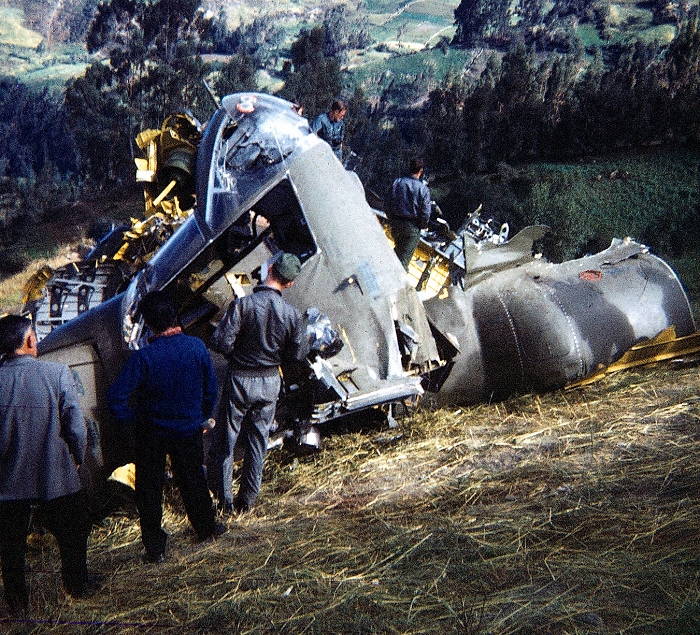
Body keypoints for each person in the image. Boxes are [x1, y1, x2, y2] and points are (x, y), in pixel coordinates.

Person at [107, 291, 224, 563]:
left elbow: (116, 397)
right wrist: (201, 418)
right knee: (193, 479)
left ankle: (156, 548)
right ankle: (207, 528)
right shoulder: (196, 347)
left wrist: (132, 422)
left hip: (151, 434)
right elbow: (211, 390)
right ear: (175, 316)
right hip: (188, 430)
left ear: (148, 323)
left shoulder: (143, 358)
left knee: (148, 490)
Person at [0, 314, 91, 616]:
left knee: (10, 548)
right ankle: (76, 587)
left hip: (7, 482)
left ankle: (18, 604)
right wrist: (77, 457)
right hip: (56, 474)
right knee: (73, 533)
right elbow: (75, 425)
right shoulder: (57, 373)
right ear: (29, 341)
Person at [207, 252, 309, 514]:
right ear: (290, 284)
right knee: (258, 442)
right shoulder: (293, 315)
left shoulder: (243, 305)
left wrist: (239, 356)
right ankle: (247, 501)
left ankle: (224, 502)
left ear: (270, 269)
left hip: (240, 378)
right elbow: (297, 355)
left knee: (226, 441)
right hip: (270, 381)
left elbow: (220, 342)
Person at [385, 157, 433, 270]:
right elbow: (426, 213)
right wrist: (422, 225)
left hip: (395, 224)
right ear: (421, 171)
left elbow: (387, 202)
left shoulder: (398, 182)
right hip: (412, 227)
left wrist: (391, 218)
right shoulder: (423, 190)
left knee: (395, 253)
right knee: (403, 263)